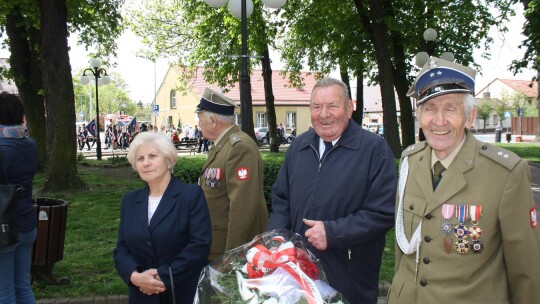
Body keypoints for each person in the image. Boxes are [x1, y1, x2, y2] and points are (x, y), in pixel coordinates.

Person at [388, 57, 540, 304]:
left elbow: (526, 271)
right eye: (430, 109)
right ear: (419, 116)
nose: (439, 121)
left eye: (450, 108)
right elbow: (402, 250)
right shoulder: (410, 162)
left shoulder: (505, 173)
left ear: (470, 117)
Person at [267, 78, 397, 303]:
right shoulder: (298, 147)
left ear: (349, 108)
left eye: (332, 106)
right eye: (316, 107)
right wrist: (277, 240)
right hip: (298, 273)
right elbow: (281, 199)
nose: (324, 114)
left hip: (349, 275)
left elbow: (383, 212)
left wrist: (333, 233)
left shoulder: (374, 150)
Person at [113, 132, 211, 304]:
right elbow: (121, 248)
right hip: (141, 295)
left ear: (168, 160)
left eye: (152, 156)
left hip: (181, 293)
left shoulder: (190, 196)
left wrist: (164, 277)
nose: (146, 163)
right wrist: (134, 276)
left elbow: (199, 245)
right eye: (140, 158)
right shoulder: (129, 200)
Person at [195, 88, 268, 261]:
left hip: (229, 250)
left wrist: (231, 255)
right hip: (216, 244)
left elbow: (242, 208)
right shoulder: (224, 145)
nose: (199, 124)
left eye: (200, 119)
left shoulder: (239, 148)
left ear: (212, 120)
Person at [0, 92, 39, 304]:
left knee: (4, 293)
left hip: (4, 227)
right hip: (26, 223)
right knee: (23, 287)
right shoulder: (29, 144)